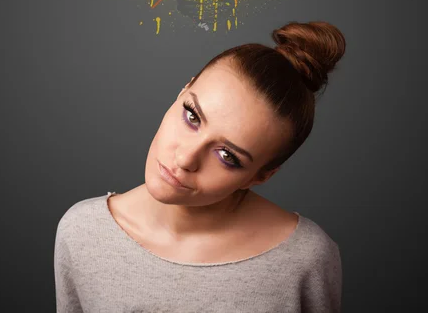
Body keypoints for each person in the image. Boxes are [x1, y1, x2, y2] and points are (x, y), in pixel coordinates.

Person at [54, 20, 346, 312]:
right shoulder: (83, 232)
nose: (184, 160)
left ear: (261, 176)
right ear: (184, 90)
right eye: (192, 116)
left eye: (227, 156)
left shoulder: (306, 258)